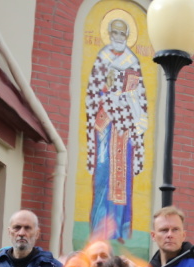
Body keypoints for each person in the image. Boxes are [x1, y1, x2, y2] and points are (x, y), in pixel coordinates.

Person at [85, 16, 148, 241]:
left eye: (123, 34)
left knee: (123, 178)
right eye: (116, 33)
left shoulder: (132, 61)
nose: (119, 38)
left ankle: (120, 229)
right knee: (103, 175)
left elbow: (137, 95)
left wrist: (128, 105)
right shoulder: (102, 58)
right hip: (105, 127)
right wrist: (106, 90)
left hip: (124, 129)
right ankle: (100, 228)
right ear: (110, 35)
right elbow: (92, 93)